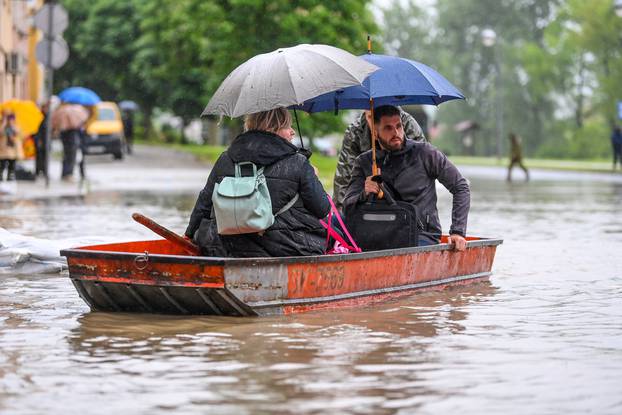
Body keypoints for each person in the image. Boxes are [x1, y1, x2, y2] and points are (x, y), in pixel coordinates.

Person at [185, 108, 330, 257]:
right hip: (287, 249)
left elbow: (204, 204)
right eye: (287, 126)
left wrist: (189, 235)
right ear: (272, 127)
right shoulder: (298, 163)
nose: (292, 132)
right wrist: (314, 177)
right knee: (335, 232)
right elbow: (322, 209)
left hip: (227, 248)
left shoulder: (225, 158)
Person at [343, 105, 470, 251]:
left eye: (398, 126)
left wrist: (458, 231)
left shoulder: (426, 153)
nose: (396, 132)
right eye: (388, 128)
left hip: (421, 235)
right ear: (375, 134)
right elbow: (347, 206)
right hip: (378, 234)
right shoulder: (364, 162)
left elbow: (461, 187)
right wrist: (364, 193)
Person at [333, 107, 425, 211]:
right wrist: (342, 213)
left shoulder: (409, 126)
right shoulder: (354, 132)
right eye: (371, 117)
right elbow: (344, 177)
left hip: (405, 203)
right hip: (369, 199)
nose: (375, 125)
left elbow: (420, 177)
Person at [0, 113, 23, 181]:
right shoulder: (3, 126)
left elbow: (19, 134)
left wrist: (13, 128)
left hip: (12, 149)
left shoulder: (15, 127)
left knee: (12, 164)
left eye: (12, 120)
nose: (10, 121)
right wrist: (4, 123)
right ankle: (1, 175)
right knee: (2, 163)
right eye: (9, 120)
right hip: (4, 149)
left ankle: (10, 175)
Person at [33, 101, 50, 178]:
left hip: (46, 140)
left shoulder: (48, 116)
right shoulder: (39, 116)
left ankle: (44, 171)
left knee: (45, 156)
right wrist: (38, 140)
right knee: (39, 156)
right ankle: (38, 171)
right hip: (40, 139)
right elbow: (37, 130)